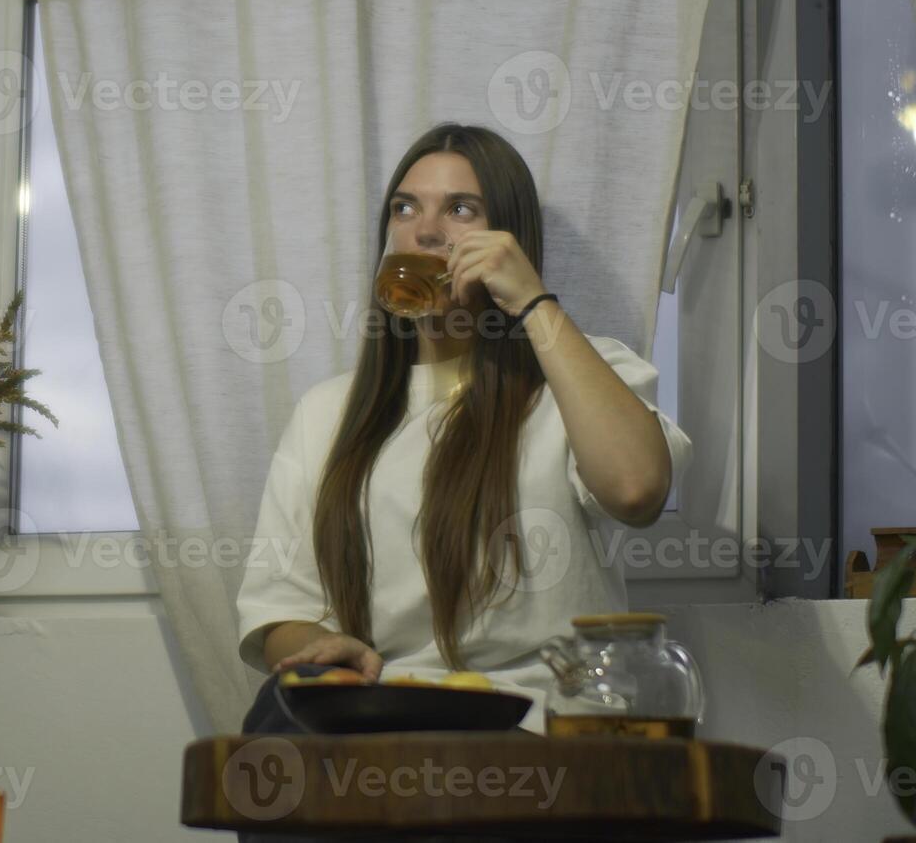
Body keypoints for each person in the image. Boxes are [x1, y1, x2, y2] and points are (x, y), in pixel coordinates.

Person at [232, 122, 695, 843]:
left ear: (509, 239)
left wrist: (535, 305)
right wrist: (327, 650)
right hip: (380, 733)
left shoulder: (582, 375)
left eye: (462, 210)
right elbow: (278, 608)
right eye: (405, 209)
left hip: (536, 741)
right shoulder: (328, 413)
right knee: (278, 718)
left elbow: (636, 488)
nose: (427, 231)